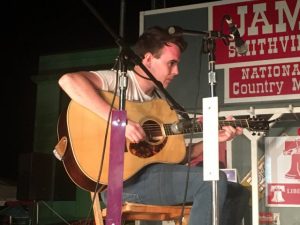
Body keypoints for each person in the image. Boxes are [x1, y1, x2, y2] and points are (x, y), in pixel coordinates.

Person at [58, 26, 248, 225]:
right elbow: (68, 81)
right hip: (122, 183)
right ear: (148, 59)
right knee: (213, 181)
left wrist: (212, 139)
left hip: (153, 176)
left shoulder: (161, 104)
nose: (176, 71)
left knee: (237, 193)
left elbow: (177, 157)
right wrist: (119, 121)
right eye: (171, 63)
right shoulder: (120, 81)